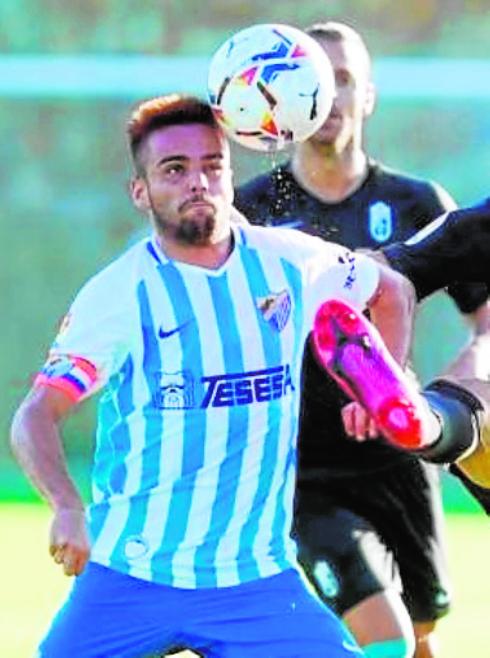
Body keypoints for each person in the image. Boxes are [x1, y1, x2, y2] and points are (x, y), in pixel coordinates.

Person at [9, 94, 415, 658]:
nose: (197, 181)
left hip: (256, 579)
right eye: (174, 169)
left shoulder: (292, 263)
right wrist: (67, 508)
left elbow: (389, 290)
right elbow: (35, 415)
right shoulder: (120, 294)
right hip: (132, 573)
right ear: (141, 191)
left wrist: (382, 387)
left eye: (212, 165)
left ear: (230, 176)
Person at [234, 21, 490, 658]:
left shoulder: (417, 202)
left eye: (344, 77)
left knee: (421, 632)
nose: (330, 91)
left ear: (367, 96)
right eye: (313, 75)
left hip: (401, 459)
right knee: (382, 634)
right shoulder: (251, 212)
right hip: (301, 473)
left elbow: (484, 321)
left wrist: (454, 396)